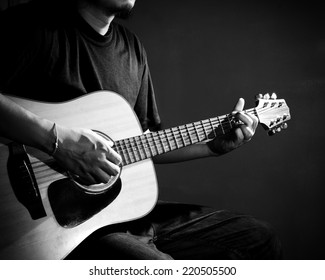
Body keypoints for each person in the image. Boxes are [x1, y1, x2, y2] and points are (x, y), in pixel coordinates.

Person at [0, 0, 282, 259]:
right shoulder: (31, 24)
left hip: (119, 215)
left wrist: (212, 146)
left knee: (258, 237)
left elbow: (142, 143)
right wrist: (58, 141)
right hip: (56, 226)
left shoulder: (131, 48)